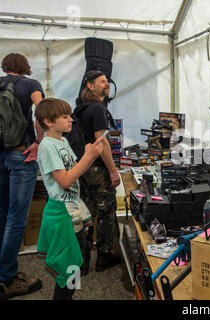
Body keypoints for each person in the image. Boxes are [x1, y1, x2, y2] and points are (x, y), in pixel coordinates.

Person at [35, 98, 103, 300]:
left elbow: (75, 169)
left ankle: (68, 296)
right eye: (65, 117)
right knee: (67, 268)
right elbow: (65, 180)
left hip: (72, 210)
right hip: (61, 213)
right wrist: (89, 157)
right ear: (48, 121)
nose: (70, 120)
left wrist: (89, 156)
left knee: (75, 263)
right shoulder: (47, 146)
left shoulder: (62, 141)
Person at [0, 53, 45, 299]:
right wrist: (38, 142)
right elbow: (41, 110)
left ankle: (3, 273)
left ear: (5, 67)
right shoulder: (31, 84)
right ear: (25, 67)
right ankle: (7, 278)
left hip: (0, 155)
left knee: (2, 214)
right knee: (17, 218)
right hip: (21, 155)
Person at [76, 70, 121, 275]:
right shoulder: (97, 109)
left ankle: (82, 262)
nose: (107, 84)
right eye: (102, 81)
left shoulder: (82, 108)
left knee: (87, 214)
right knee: (105, 212)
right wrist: (112, 170)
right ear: (90, 86)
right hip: (97, 169)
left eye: (108, 81)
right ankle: (105, 256)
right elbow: (101, 142)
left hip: (84, 168)